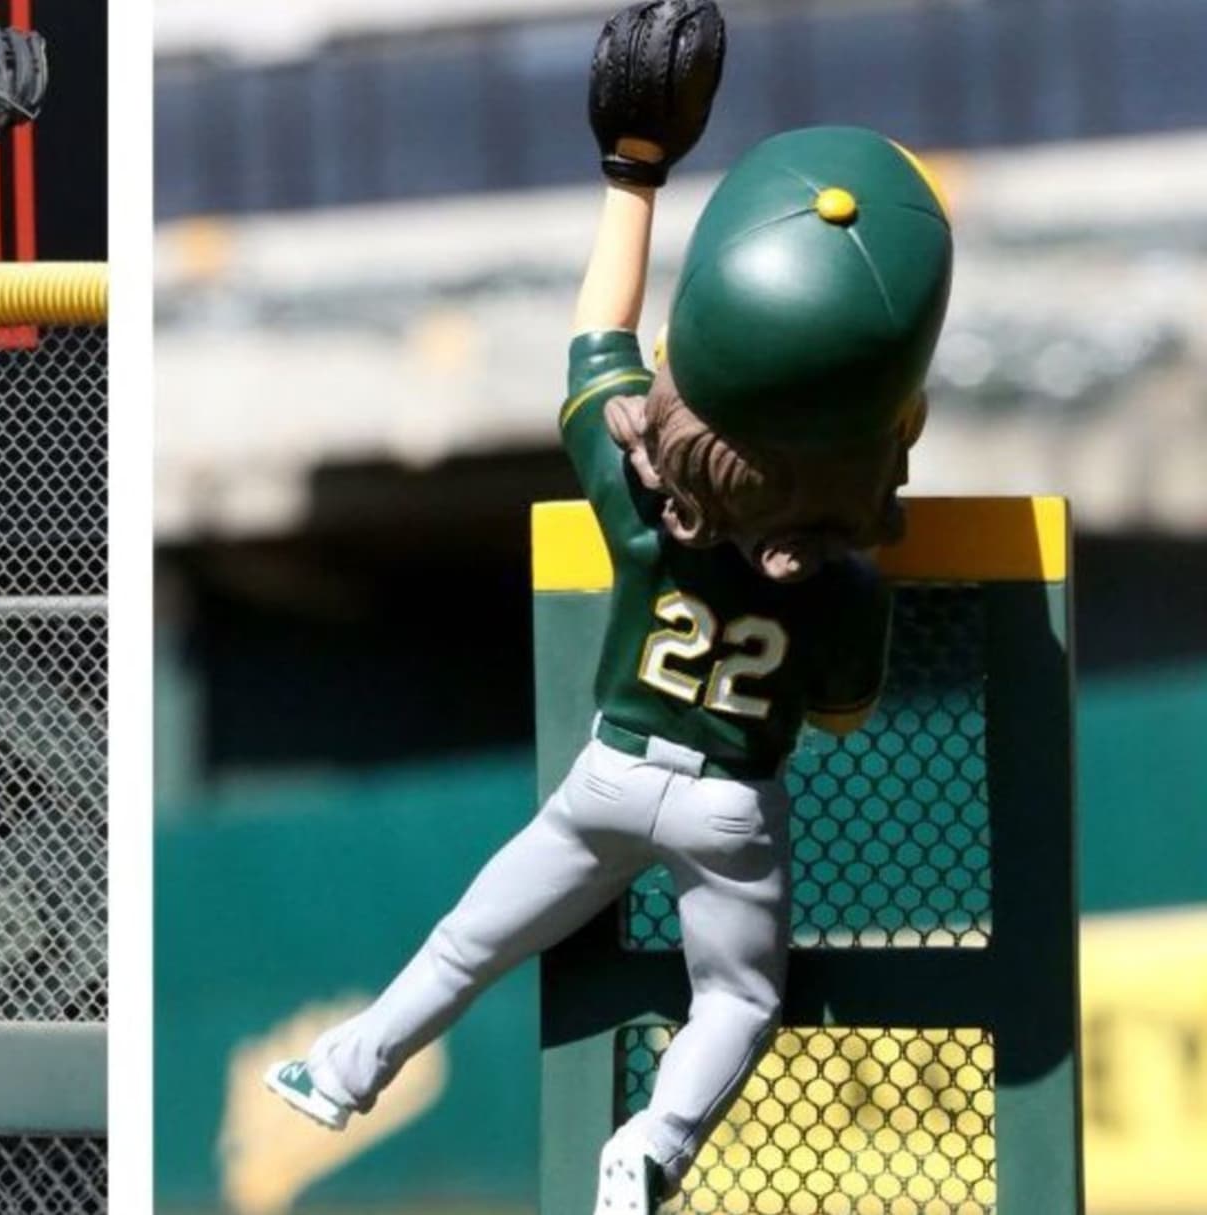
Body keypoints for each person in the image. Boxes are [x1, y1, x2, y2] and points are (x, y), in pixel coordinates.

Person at [259, 3, 952, 1212]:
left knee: (472, 940)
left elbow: (597, 337)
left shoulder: (640, 495)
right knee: (736, 998)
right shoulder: (844, 577)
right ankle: (651, 1148)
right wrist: (834, 504)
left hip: (613, 773)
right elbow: (841, 712)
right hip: (730, 804)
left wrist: (634, 174)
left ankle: (341, 1069)